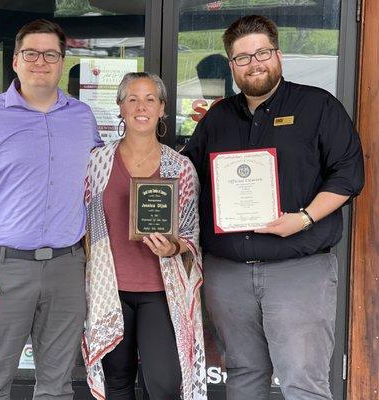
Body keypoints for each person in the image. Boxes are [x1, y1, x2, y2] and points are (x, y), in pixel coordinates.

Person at [182, 15, 364, 400]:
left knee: (303, 383)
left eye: (262, 52)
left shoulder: (318, 106)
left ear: (278, 54)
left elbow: (348, 175)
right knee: (244, 376)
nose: (254, 63)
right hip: (228, 275)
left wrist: (304, 218)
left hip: (298, 271)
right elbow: (188, 177)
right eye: (242, 57)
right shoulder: (218, 118)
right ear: (232, 65)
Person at [0, 19, 101, 400]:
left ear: (62, 62)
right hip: (2, 271)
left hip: (67, 268)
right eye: (31, 53)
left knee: (58, 385)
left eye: (50, 54)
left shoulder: (82, 118)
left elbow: (97, 184)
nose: (40, 61)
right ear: (15, 61)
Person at [82, 72, 207, 400]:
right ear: (120, 106)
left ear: (162, 108)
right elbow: (81, 224)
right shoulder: (98, 162)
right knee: (118, 382)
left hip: (159, 291)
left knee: (163, 385)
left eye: (150, 99)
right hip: (109, 291)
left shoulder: (177, 167)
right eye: (133, 99)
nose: (141, 106)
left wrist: (174, 246)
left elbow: (191, 232)